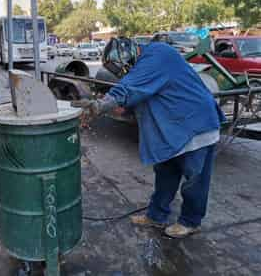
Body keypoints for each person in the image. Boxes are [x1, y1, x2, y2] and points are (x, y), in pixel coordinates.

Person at [73, 42, 225, 238]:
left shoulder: (158, 53)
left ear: (130, 59)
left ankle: (190, 221)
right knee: (165, 173)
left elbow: (130, 86)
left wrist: (98, 106)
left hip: (195, 124)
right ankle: (156, 216)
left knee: (195, 178)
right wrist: (111, 106)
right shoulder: (146, 62)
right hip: (173, 127)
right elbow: (137, 93)